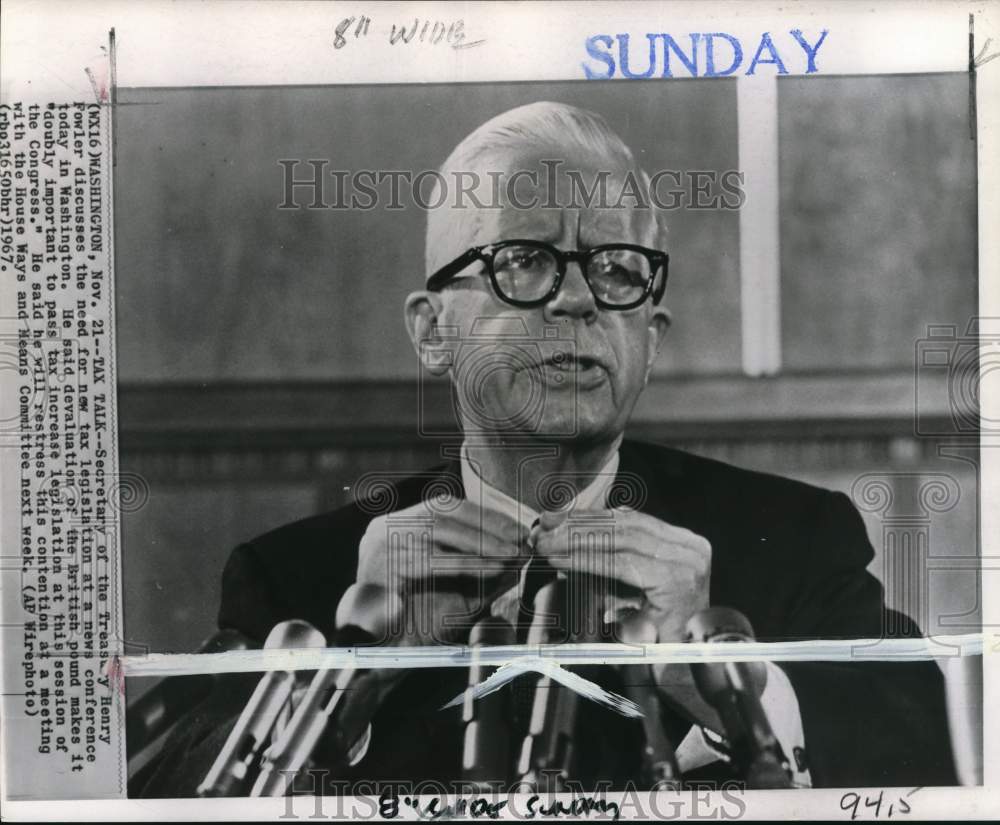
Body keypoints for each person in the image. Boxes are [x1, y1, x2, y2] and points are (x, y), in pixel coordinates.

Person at [134, 102, 956, 796]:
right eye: (524, 260)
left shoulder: (797, 536)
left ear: (651, 336)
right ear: (431, 330)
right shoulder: (301, 576)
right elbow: (160, 788)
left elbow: (934, 758)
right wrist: (355, 675)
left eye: (618, 269)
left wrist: (723, 686)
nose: (576, 299)